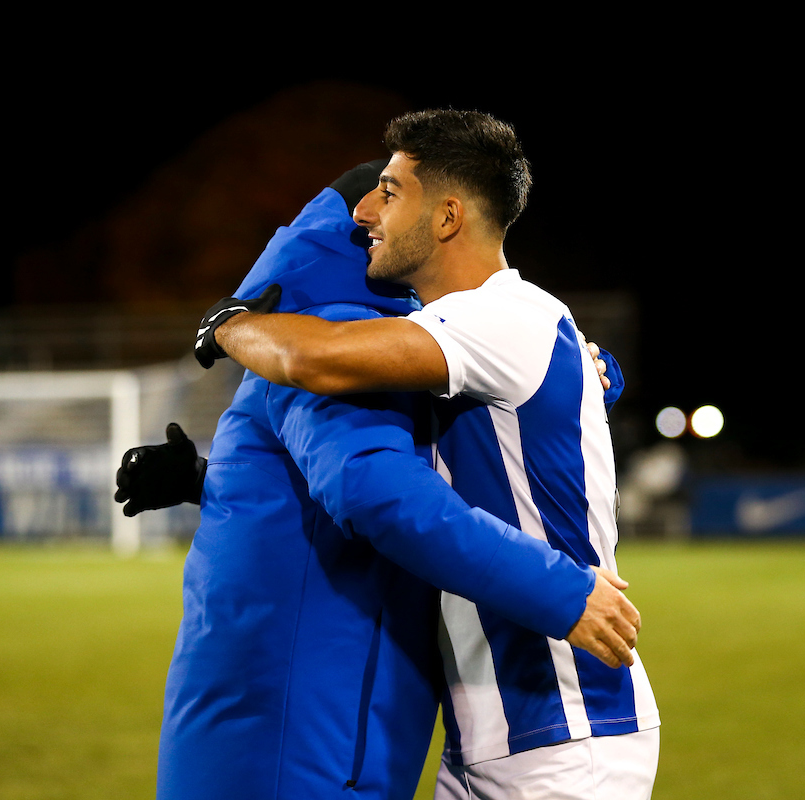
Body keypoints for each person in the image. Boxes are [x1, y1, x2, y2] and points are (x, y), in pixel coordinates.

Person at [119, 160, 641, 800]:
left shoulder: (357, 337)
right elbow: (373, 491)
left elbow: (336, 487)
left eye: (390, 199)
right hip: (309, 736)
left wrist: (208, 479)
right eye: (371, 202)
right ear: (345, 233)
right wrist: (563, 591)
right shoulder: (337, 340)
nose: (374, 215)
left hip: (282, 719)